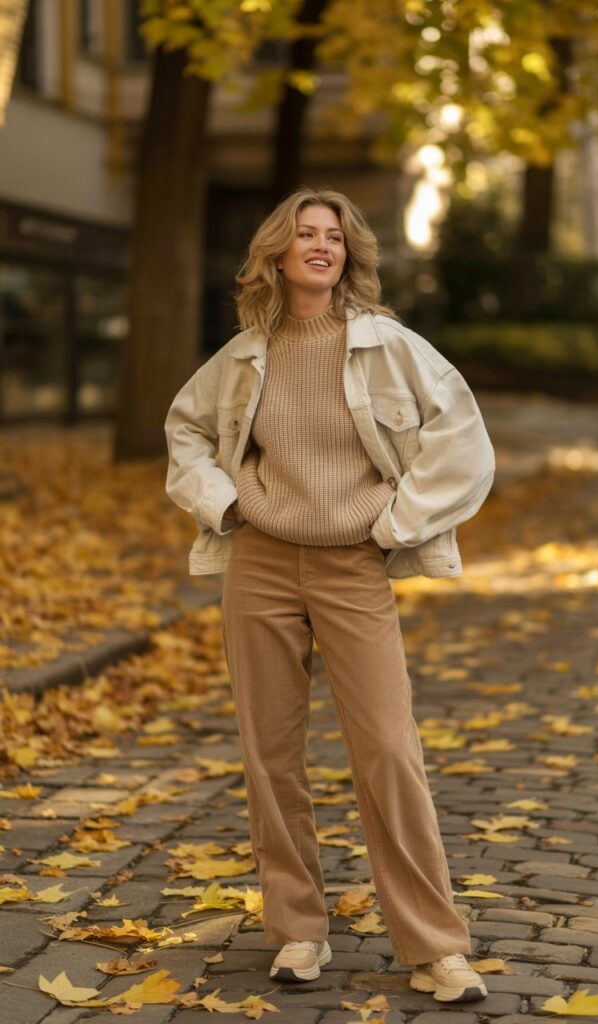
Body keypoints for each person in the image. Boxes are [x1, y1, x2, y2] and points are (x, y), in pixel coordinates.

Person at [164, 187, 495, 1003]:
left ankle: (435, 945)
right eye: (306, 234)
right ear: (277, 253)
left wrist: (395, 523)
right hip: (261, 565)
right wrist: (226, 504)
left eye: (335, 237)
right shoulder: (244, 355)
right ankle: (297, 931)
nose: (321, 246)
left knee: (388, 749)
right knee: (270, 754)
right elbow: (186, 429)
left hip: (353, 566)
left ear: (349, 256)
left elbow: (464, 442)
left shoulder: (388, 346)